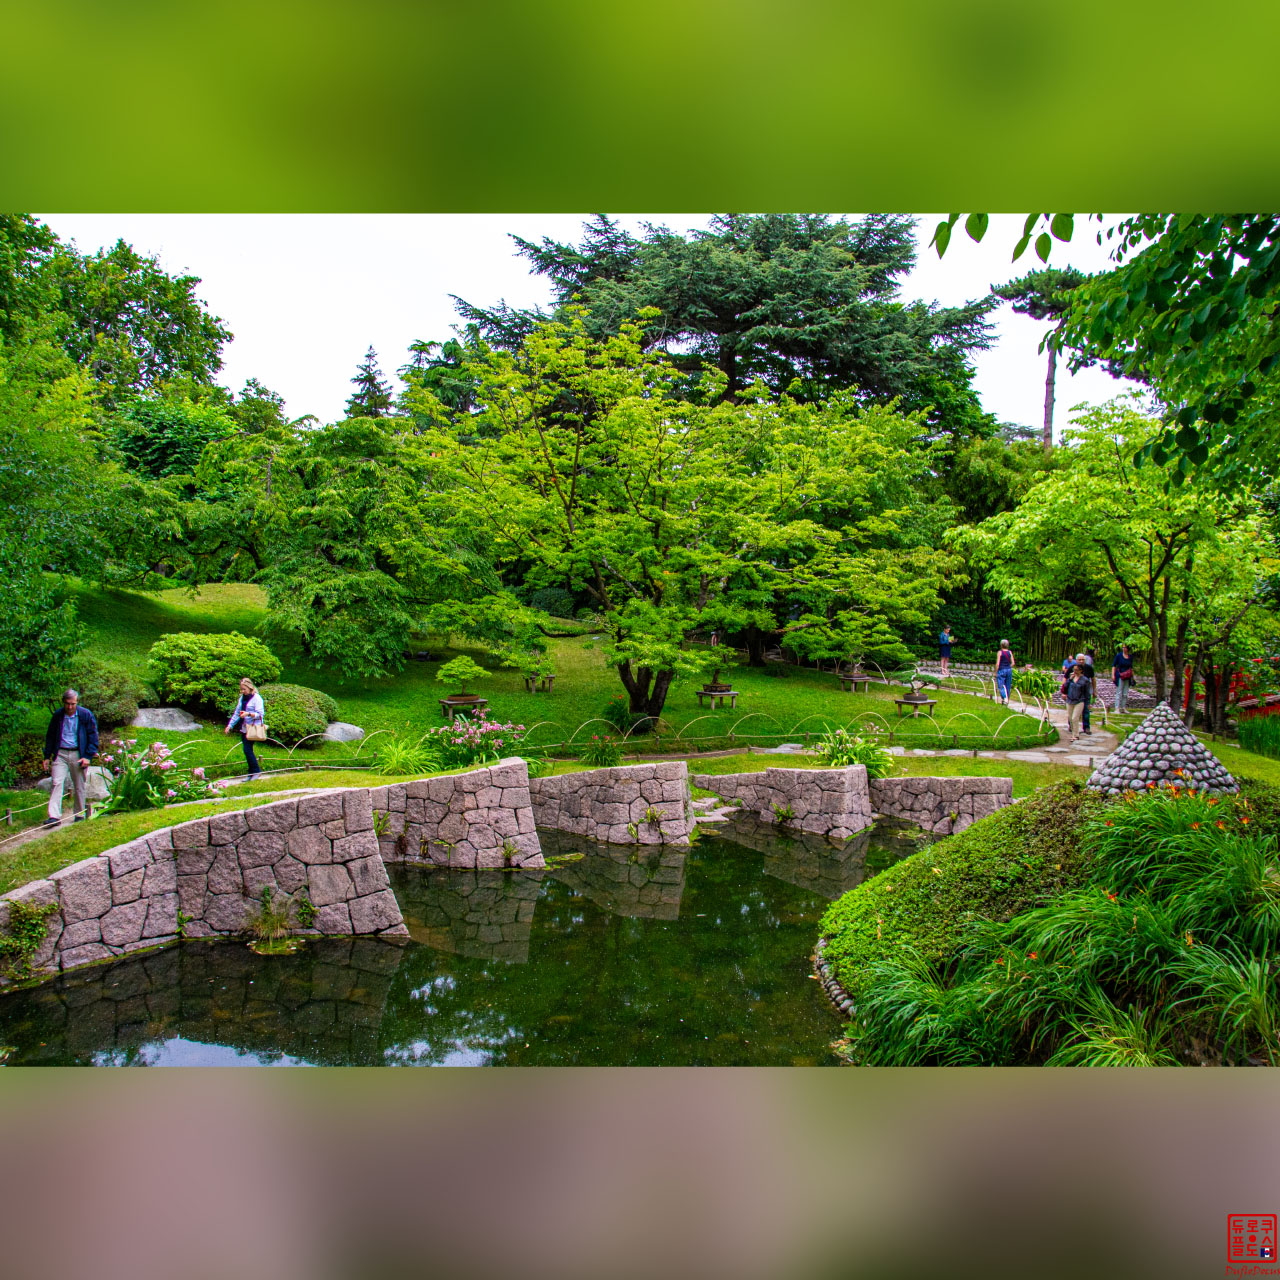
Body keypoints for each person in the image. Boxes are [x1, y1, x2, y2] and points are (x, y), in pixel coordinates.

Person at [41, 688, 99, 826]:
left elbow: (93, 736)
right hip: (60, 753)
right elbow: (50, 736)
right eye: (67, 704)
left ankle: (78, 814)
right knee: (56, 782)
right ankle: (54, 816)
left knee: (79, 784)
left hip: (78, 754)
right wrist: (47, 756)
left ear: (76, 702)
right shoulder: (58, 715)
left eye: (73, 704)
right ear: (64, 703)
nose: (70, 707)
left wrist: (87, 756)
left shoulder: (85, 715)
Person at [225, 677, 265, 779]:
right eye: (241, 689)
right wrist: (230, 725)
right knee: (247, 750)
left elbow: (260, 714)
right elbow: (237, 713)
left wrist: (248, 714)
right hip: (244, 728)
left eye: (244, 689)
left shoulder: (257, 698)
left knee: (247, 749)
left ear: (250, 688)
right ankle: (251, 773)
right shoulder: (242, 698)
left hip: (252, 727)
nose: (242, 691)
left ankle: (256, 771)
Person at [1064, 663, 1091, 740]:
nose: (1075, 671)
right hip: (1069, 700)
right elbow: (1065, 686)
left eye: (1076, 670)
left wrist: (1088, 702)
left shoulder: (1085, 680)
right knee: (1070, 718)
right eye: (1074, 669)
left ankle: (1076, 735)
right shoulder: (1071, 678)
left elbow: (1087, 692)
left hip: (1079, 701)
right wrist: (1070, 679)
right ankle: (1073, 733)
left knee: (1075, 718)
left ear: (1081, 670)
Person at [1112, 644, 1134, 712]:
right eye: (1123, 647)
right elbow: (1114, 665)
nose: (1124, 649)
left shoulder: (1130, 657)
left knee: (1125, 693)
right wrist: (1113, 675)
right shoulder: (1119, 656)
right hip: (1120, 675)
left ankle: (1123, 707)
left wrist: (1132, 676)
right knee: (1119, 692)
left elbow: (1131, 667)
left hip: (1127, 676)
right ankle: (1117, 708)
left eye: (1125, 647)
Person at [994, 639, 1015, 705]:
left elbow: (997, 664)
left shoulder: (1000, 652)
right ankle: (1006, 700)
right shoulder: (1010, 652)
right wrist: (1008, 667)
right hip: (1009, 670)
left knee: (1001, 685)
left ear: (1001, 645)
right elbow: (1013, 663)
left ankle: (1004, 697)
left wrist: (995, 672)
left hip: (1002, 670)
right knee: (1007, 685)